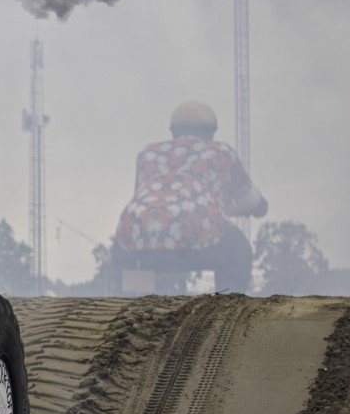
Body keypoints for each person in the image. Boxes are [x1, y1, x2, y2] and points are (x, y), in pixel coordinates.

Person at [111, 102, 267, 293]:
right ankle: (228, 304)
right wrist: (260, 207)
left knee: (132, 272)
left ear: (173, 131)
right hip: (195, 233)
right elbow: (249, 199)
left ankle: (135, 304)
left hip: (136, 237)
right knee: (238, 250)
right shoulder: (220, 151)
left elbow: (143, 197)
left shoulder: (148, 154)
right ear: (211, 132)